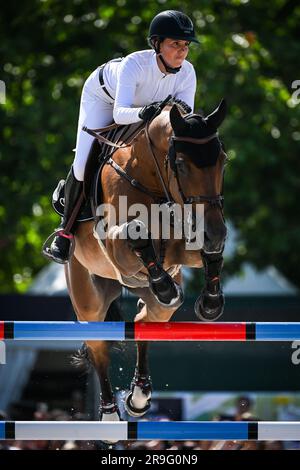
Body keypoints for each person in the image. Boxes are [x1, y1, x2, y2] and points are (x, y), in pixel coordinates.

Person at [44, 10, 199, 264]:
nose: (182, 51)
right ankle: (65, 232)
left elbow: (183, 121)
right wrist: (145, 112)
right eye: (175, 44)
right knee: (83, 164)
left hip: (145, 111)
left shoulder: (188, 73)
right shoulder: (134, 65)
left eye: (185, 45)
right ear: (157, 44)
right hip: (104, 98)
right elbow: (120, 112)